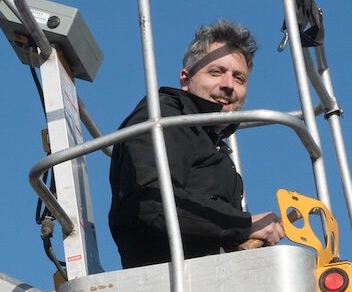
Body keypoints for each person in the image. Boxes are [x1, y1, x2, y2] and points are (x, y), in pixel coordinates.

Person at [107, 20, 285, 268]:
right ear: (185, 78)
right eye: (216, 72)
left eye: (239, 78)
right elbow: (152, 204)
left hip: (209, 279)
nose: (228, 85)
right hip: (171, 283)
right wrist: (243, 225)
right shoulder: (164, 117)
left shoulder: (211, 142)